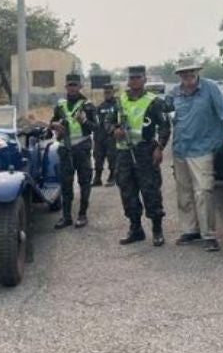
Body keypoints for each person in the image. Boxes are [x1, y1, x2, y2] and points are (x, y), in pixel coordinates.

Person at [168, 63, 223, 252]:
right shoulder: (174, 93)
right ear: (179, 75)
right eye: (183, 72)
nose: (188, 75)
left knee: (203, 191)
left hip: (202, 147)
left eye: (191, 71)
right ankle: (190, 231)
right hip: (180, 148)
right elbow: (164, 114)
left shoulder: (210, 88)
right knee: (184, 192)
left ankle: (208, 234)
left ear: (197, 72)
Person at [110, 65, 171, 247]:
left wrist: (160, 148)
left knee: (151, 190)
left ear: (144, 79)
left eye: (138, 77)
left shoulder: (154, 102)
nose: (134, 81)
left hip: (146, 151)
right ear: (128, 81)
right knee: (127, 191)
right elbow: (108, 122)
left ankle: (157, 230)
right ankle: (135, 229)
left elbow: (165, 126)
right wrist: (114, 129)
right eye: (132, 78)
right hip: (124, 152)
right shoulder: (120, 101)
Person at [49, 73, 98, 229]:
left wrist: (84, 121)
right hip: (65, 149)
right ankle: (66, 217)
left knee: (84, 182)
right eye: (69, 85)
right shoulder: (60, 105)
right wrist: (54, 125)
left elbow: (96, 128)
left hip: (82, 149)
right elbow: (52, 122)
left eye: (75, 85)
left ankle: (82, 215)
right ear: (66, 87)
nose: (72, 88)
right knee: (65, 184)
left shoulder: (87, 105)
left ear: (80, 86)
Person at [92, 83, 118, 187]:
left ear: (113, 92)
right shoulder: (100, 106)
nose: (107, 94)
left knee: (112, 157)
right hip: (100, 136)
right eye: (105, 92)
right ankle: (97, 178)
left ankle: (112, 176)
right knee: (98, 157)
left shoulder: (117, 106)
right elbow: (96, 121)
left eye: (109, 92)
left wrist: (115, 127)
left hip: (111, 136)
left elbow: (122, 121)